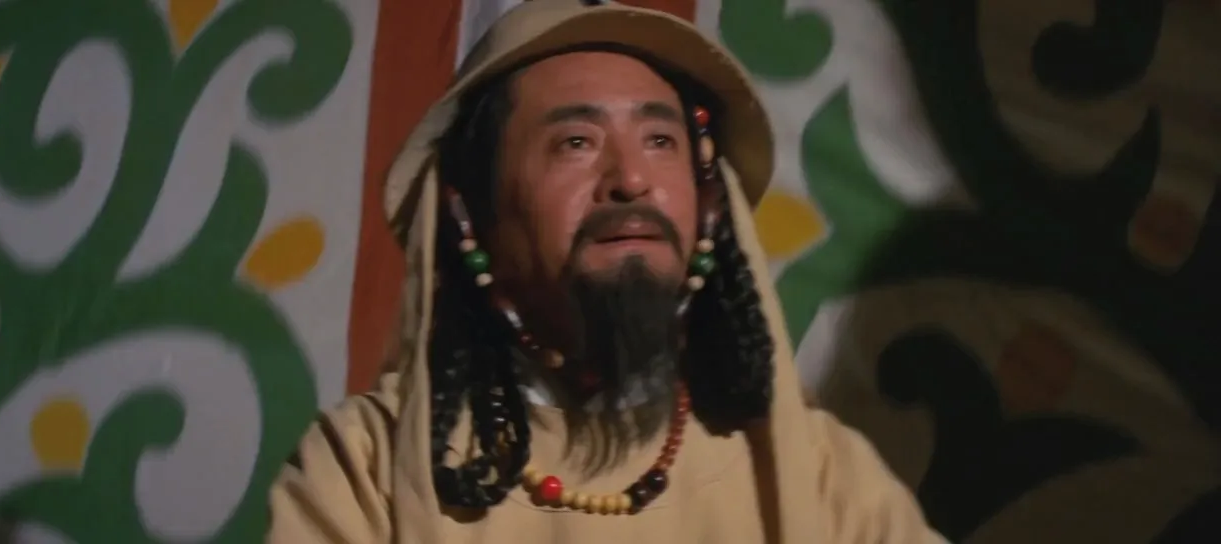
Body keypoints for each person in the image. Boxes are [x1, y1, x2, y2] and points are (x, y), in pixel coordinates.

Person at [268, 1, 944, 542]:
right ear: (470, 213)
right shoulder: (367, 469)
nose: (631, 180)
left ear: (711, 204)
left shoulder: (818, 478)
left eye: (660, 141)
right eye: (576, 142)